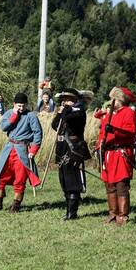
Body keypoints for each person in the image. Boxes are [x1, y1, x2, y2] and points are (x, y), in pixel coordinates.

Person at [0, 92, 43, 212]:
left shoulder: (31, 116)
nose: (21, 108)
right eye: (19, 105)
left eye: (23, 105)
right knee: (1, 175)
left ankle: (16, 205)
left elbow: (37, 133)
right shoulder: (9, 113)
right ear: (14, 104)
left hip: (23, 150)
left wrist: (34, 149)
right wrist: (13, 117)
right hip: (9, 148)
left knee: (20, 179)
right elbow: (3, 127)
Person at [97, 87, 136, 226]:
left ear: (121, 99)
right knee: (110, 185)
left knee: (121, 185)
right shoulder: (110, 114)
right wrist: (99, 147)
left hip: (121, 153)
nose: (112, 101)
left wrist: (114, 130)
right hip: (109, 154)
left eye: (114, 99)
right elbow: (103, 133)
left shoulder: (129, 113)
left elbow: (130, 131)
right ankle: (112, 214)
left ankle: (123, 216)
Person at [51, 88, 91, 220]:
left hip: (73, 148)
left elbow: (70, 119)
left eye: (68, 99)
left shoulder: (79, 111)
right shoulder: (66, 111)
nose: (65, 102)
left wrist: (65, 111)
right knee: (63, 180)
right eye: (64, 100)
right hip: (62, 147)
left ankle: (72, 213)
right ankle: (69, 210)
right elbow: (55, 125)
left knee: (71, 180)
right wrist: (58, 114)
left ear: (74, 100)